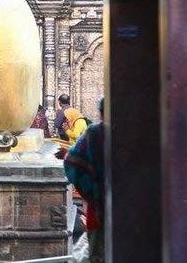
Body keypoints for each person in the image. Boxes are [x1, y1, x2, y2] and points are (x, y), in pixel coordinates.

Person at [62, 98, 105, 263]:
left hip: (98, 211)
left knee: (98, 254)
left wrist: (90, 194)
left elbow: (72, 162)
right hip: (133, 212)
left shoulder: (96, 132)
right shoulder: (134, 131)